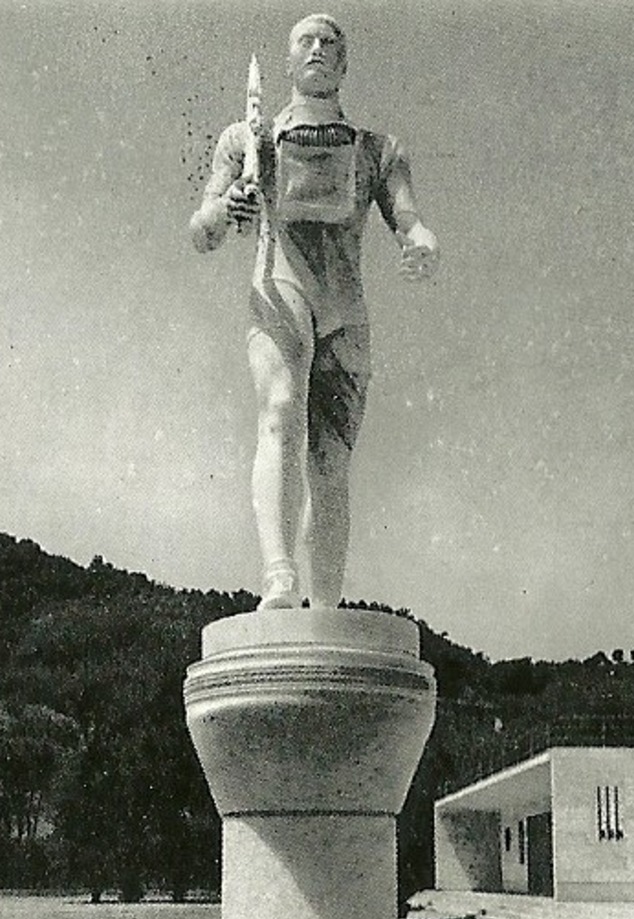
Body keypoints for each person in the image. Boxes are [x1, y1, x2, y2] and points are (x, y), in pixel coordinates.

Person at [190, 13, 439, 609]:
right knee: (279, 412)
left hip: (344, 309)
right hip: (281, 291)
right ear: (287, 60)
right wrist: (228, 207)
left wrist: (422, 242)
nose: (320, 49)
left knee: (330, 461)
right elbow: (201, 231)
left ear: (345, 64)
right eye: (307, 41)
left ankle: (325, 606)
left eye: (332, 43)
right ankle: (279, 572)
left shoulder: (378, 150)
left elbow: (410, 219)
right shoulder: (246, 141)